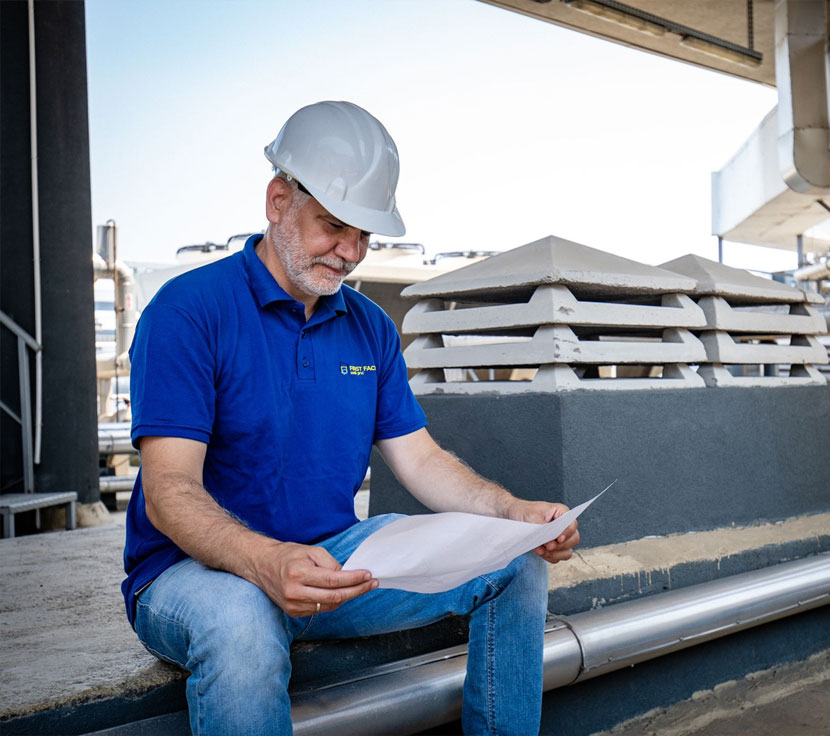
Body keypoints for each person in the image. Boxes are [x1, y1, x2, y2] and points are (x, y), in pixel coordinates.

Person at [123, 100, 580, 736]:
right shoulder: (188, 312)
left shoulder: (368, 326)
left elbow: (420, 458)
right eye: (333, 225)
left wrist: (510, 514)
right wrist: (265, 561)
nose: (350, 252)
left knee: (516, 562)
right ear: (278, 199)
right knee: (242, 625)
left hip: (330, 559)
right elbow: (170, 492)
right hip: (193, 572)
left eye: (365, 235)